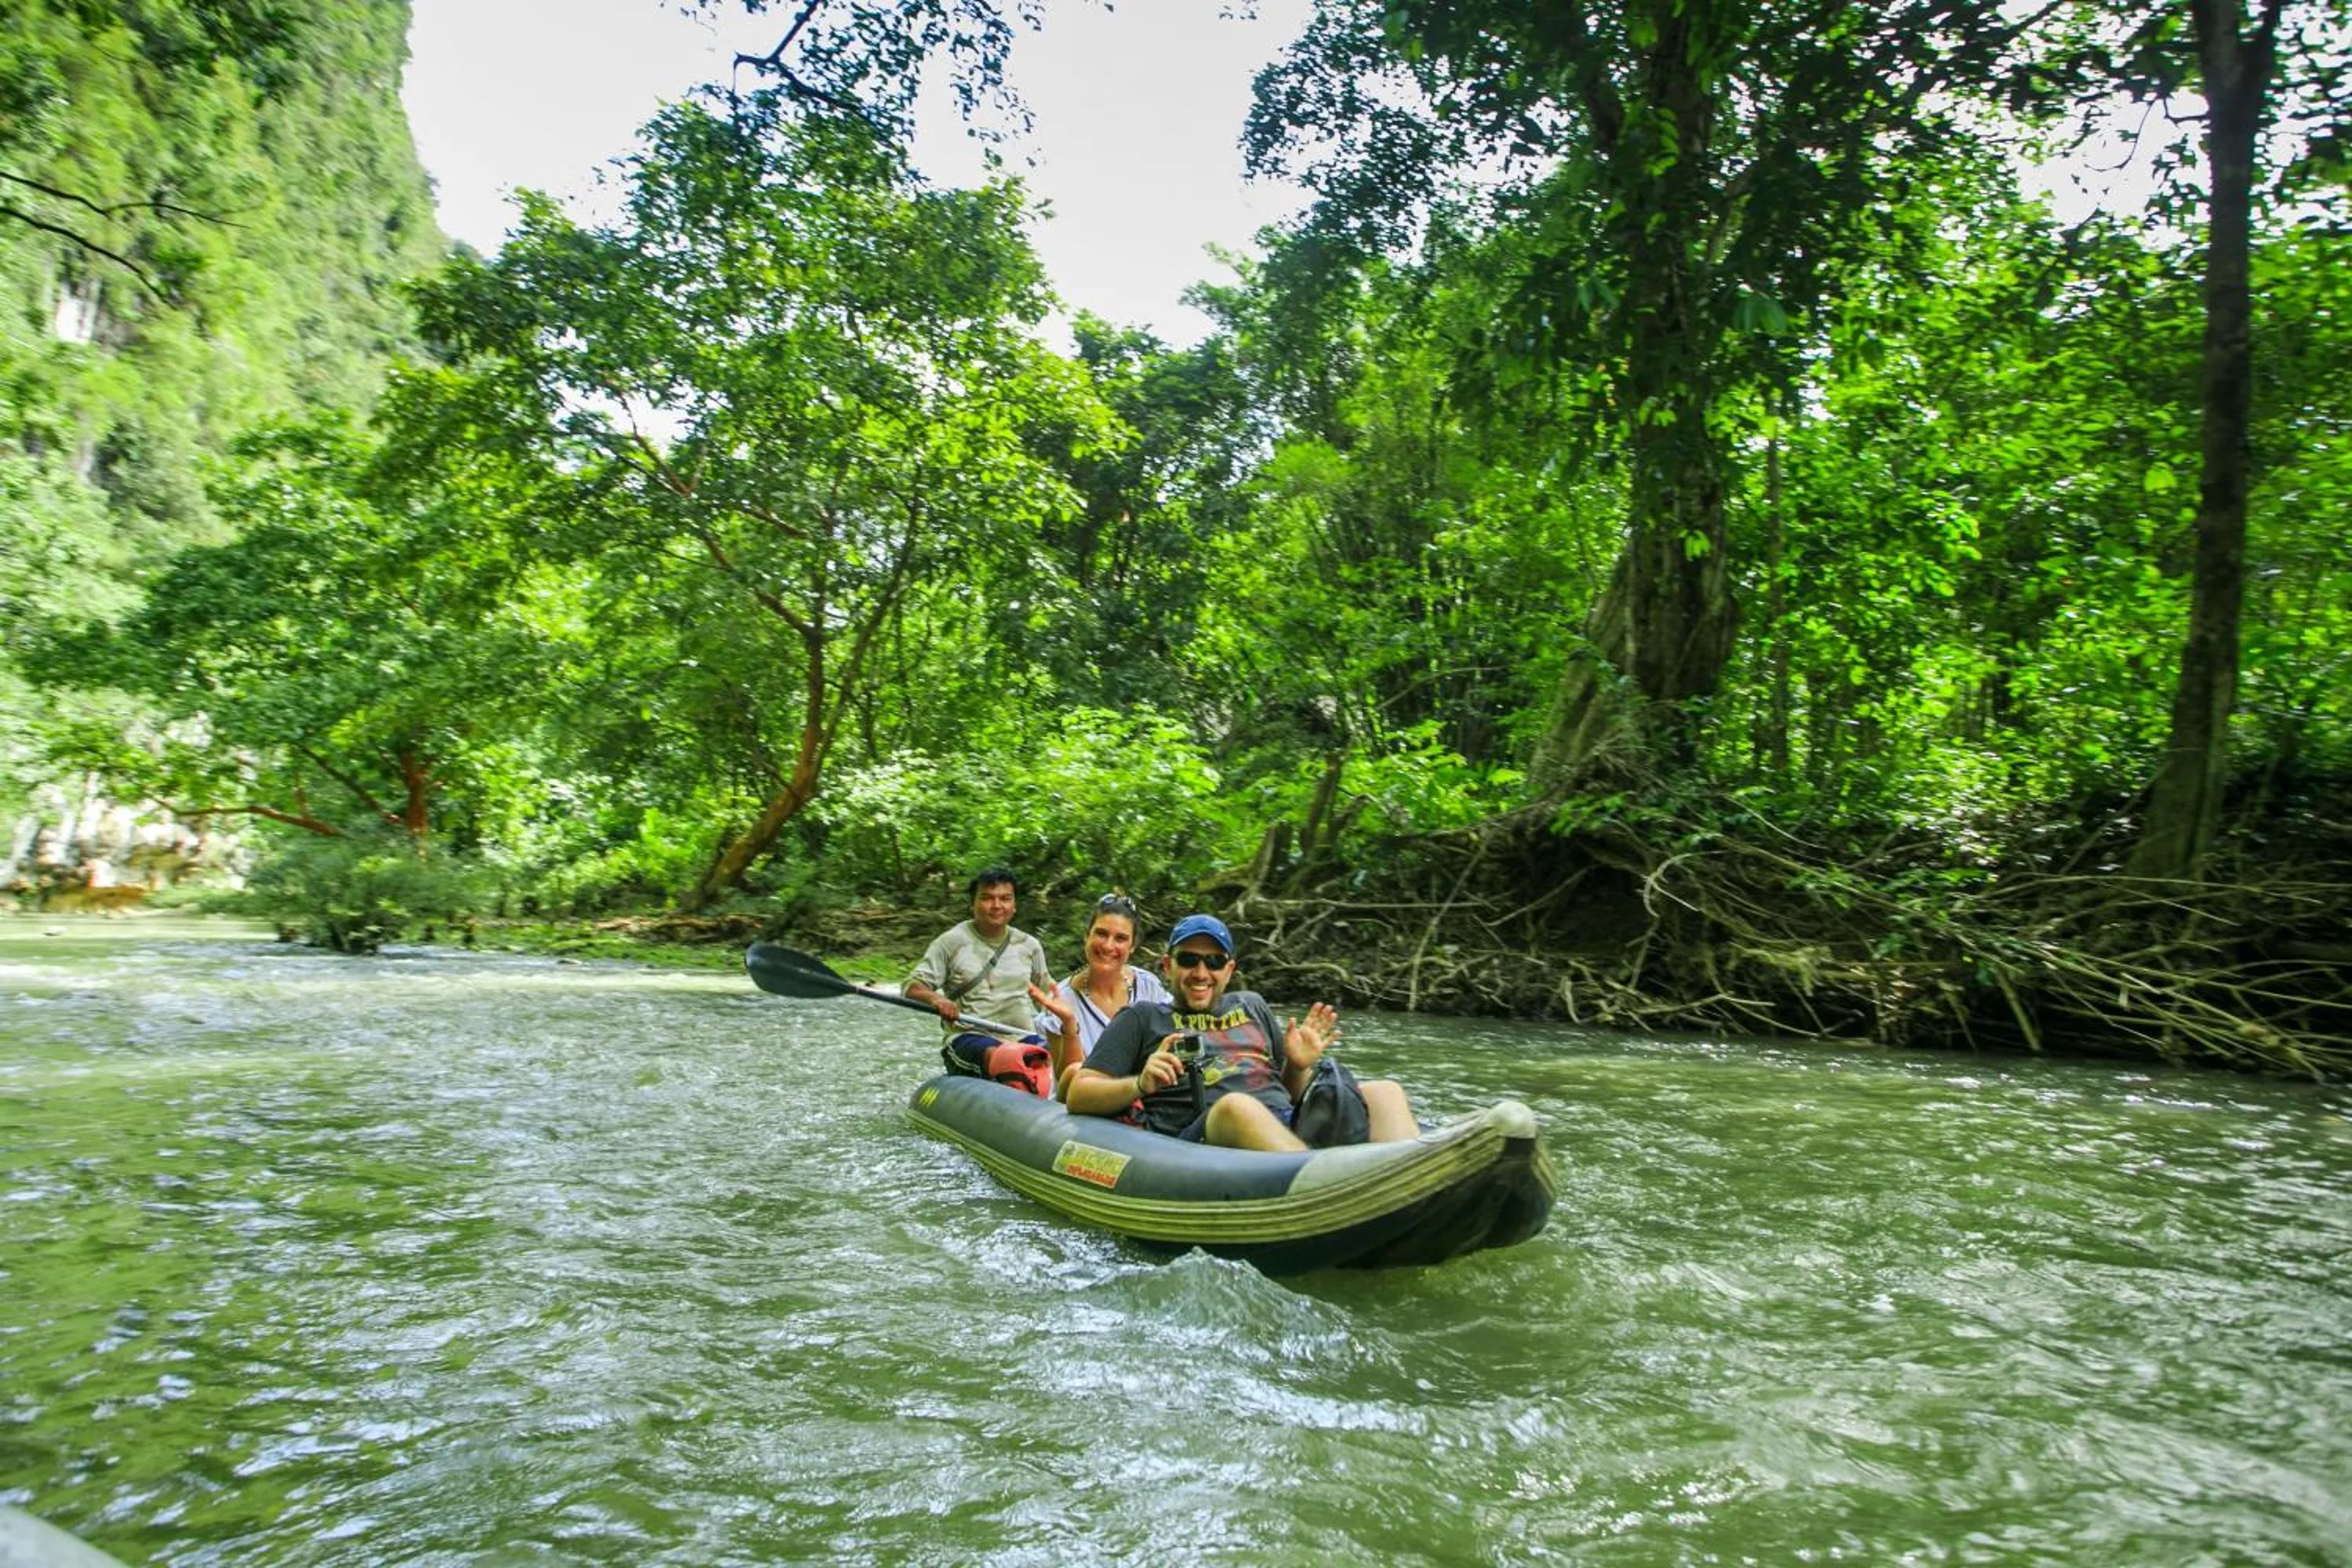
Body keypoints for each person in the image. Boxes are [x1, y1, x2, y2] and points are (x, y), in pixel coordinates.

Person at [1066, 913, 1417, 1151]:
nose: (1201, 972)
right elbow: (1079, 1094)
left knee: (1386, 1091)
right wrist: (1140, 1083)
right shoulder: (1142, 1017)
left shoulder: (1252, 1005)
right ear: (1168, 966)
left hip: (1280, 1127)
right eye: (1189, 960)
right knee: (1237, 1107)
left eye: (1215, 962)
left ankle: (1412, 1189)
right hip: (1204, 1138)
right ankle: (1323, 1189)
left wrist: (1297, 1067)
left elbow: (1291, 1093)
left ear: (1229, 969)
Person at [905, 868, 1054, 1082]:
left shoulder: (1030, 946)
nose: (996, 906)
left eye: (1005, 899)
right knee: (1005, 1058)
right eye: (987, 898)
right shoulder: (950, 942)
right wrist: (937, 999)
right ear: (973, 904)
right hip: (969, 1037)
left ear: (1014, 906)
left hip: (1021, 1036)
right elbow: (912, 985)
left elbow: (1049, 996)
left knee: (1059, 1056)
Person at [1029, 893, 1171, 1087]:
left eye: (1120, 938)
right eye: (1101, 934)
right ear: (1087, 936)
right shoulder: (1061, 999)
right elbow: (1070, 1081)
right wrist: (1069, 1024)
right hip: (1086, 1106)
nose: (1108, 946)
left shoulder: (1149, 987)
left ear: (1132, 947)